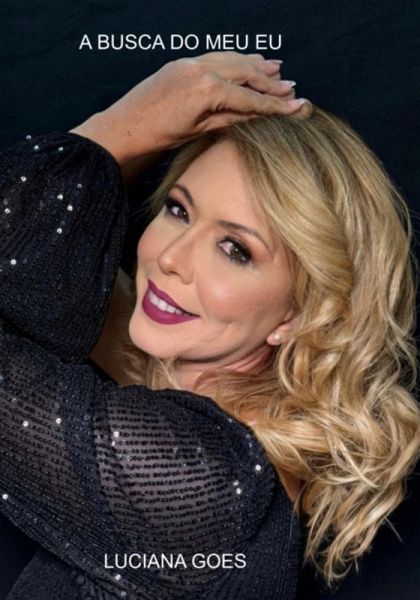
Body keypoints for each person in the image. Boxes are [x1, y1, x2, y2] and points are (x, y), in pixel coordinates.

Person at [0, 51, 418, 600]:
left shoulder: (205, 483)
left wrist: (120, 127)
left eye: (235, 249)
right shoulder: (205, 414)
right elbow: (43, 274)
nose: (171, 257)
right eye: (179, 210)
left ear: (300, 314)